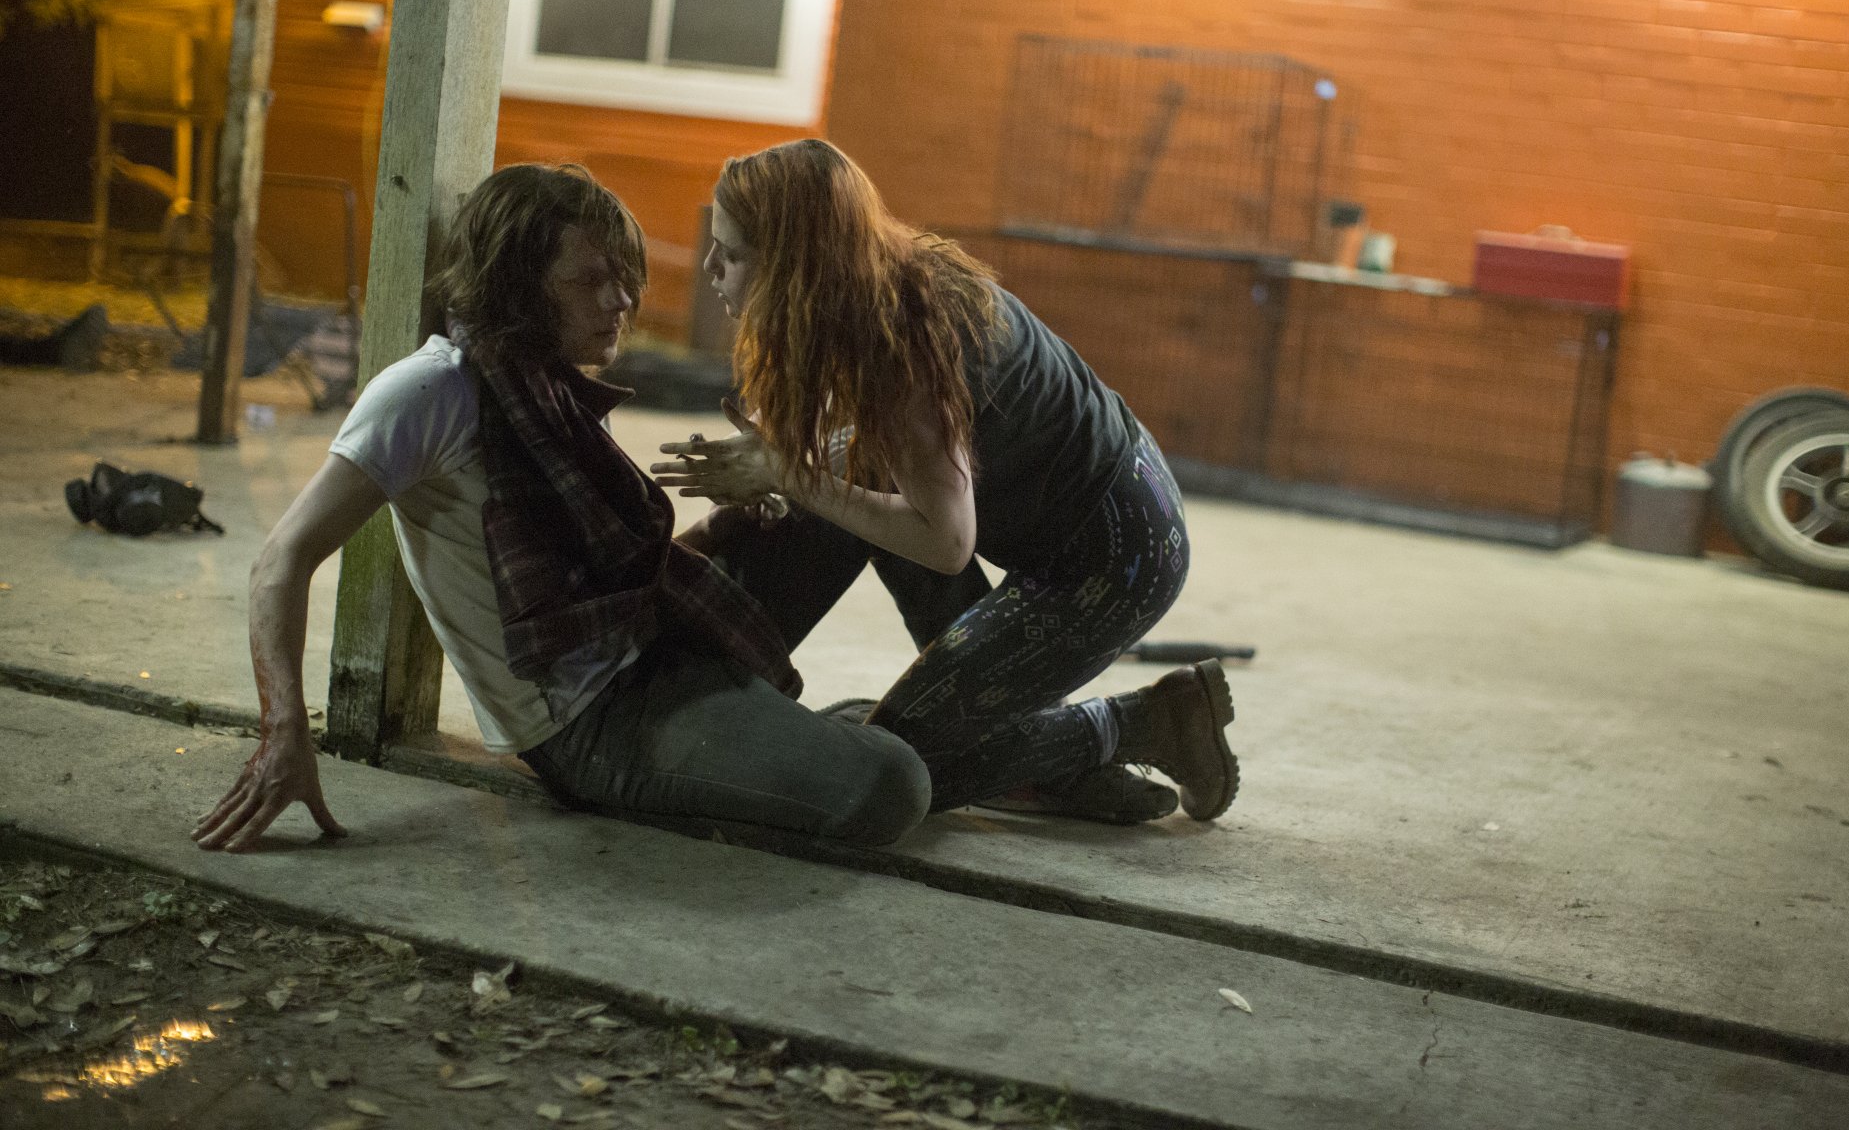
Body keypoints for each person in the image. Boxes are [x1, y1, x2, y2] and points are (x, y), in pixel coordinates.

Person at [193, 163, 931, 853]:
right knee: (895, 783)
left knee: (856, 478)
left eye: (622, 278)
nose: (622, 302)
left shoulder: (553, 384)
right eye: (589, 282)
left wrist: (746, 511)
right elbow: (279, 564)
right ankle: (814, 742)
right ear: (518, 289)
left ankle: (902, 712)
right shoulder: (430, 393)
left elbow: (611, 574)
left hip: (654, 632)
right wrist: (282, 733)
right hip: (593, 720)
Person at [650, 138, 1238, 825]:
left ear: (794, 267)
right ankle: (1055, 767)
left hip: (1115, 557)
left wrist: (785, 473)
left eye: (733, 252)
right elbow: (857, 457)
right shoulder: (861, 287)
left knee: (893, 762)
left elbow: (945, 543)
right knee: (844, 497)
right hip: (1084, 506)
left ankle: (1147, 721)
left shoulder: (899, 346)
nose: (710, 266)